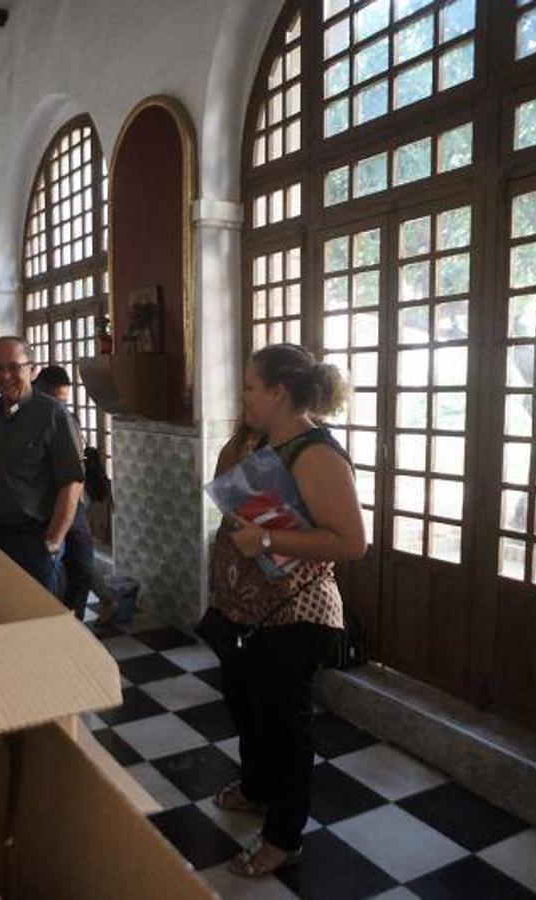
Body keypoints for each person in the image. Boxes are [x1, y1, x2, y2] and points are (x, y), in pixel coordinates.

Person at [205, 343, 366, 879]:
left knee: (285, 730)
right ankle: (256, 789)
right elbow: (226, 482)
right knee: (248, 709)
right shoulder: (261, 439)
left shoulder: (316, 453)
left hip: (294, 617)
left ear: (279, 392)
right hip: (245, 614)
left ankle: (283, 837)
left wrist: (270, 539)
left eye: (251, 387)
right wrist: (246, 433)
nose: (243, 394)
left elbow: (351, 542)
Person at [0, 337, 84, 594]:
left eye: (13, 367)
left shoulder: (54, 415)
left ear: (32, 369)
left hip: (33, 544)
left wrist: (53, 541)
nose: (5, 375)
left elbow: (71, 483)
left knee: (36, 622)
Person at [32, 365, 104, 620]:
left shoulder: (69, 419)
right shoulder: (27, 421)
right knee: (47, 575)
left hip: (75, 508)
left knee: (83, 569)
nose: (59, 408)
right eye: (55, 401)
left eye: (63, 402)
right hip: (43, 509)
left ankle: (76, 623)